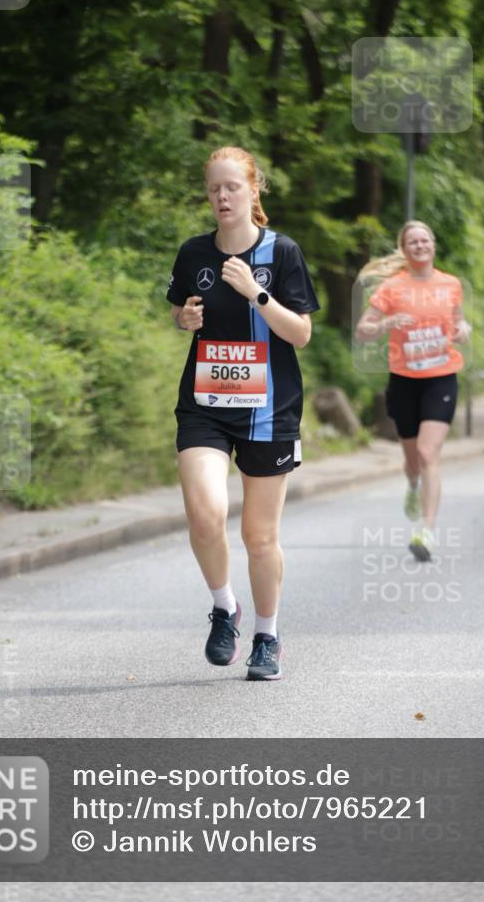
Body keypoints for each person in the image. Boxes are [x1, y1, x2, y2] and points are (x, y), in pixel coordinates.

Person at [166, 147, 320, 680]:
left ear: (254, 191)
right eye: (214, 189)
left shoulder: (282, 253)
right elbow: (180, 311)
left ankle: (267, 636)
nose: (222, 197)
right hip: (205, 405)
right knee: (205, 515)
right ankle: (224, 607)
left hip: (268, 409)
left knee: (259, 537)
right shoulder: (193, 253)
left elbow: (300, 333)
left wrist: (256, 293)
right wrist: (184, 318)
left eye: (233, 187)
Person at [355, 220, 472, 561]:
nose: (420, 246)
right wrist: (387, 324)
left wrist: (464, 328)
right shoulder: (392, 288)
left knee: (427, 453)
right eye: (413, 242)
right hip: (404, 380)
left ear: (433, 245)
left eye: (425, 240)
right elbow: (363, 331)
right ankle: (412, 486)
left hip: (441, 377)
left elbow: (460, 321)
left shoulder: (450, 285)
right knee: (412, 461)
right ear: (404, 250)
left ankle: (427, 531)